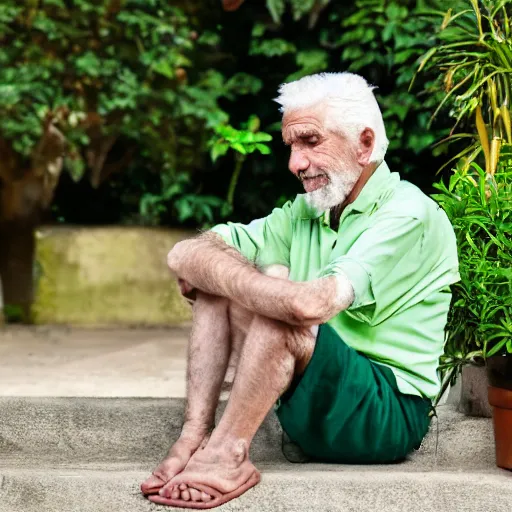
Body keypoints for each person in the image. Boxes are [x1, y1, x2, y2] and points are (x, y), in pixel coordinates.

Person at [141, 72, 459, 509]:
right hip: (310, 399)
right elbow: (186, 254)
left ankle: (228, 455)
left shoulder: (409, 213)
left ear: (364, 144)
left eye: (310, 141)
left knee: (278, 307)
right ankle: (196, 435)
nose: (295, 162)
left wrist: (244, 281)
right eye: (292, 145)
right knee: (228, 287)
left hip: (385, 413)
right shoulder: (305, 212)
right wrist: (232, 278)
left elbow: (311, 305)